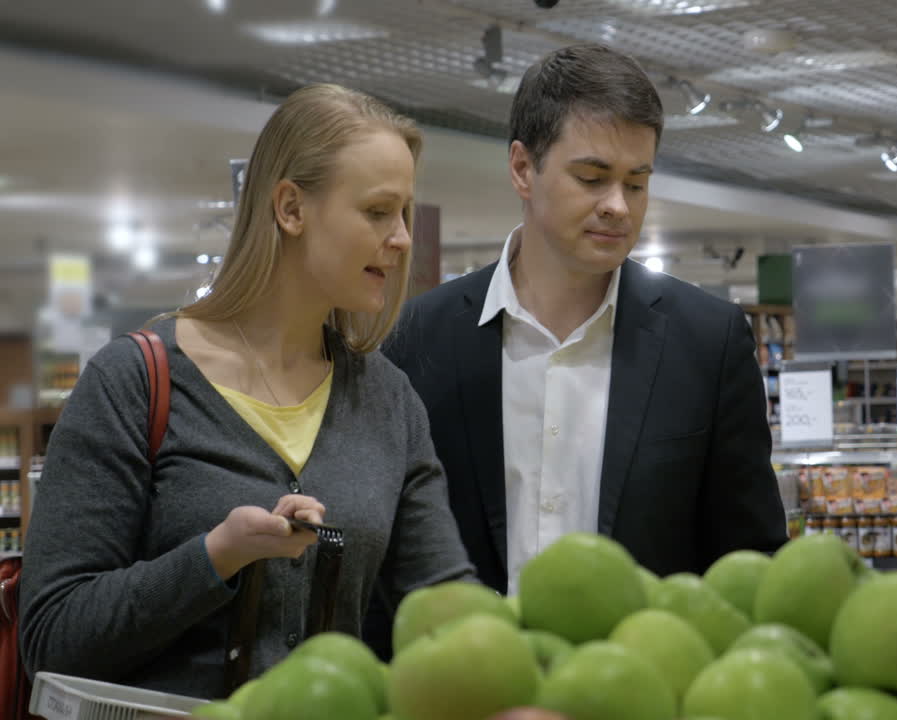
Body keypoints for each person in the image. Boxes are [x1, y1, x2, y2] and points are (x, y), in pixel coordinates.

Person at [19, 84, 473, 698]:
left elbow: (446, 604)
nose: (402, 238)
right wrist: (215, 556)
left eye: (405, 215)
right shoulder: (132, 382)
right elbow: (52, 637)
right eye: (376, 212)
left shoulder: (389, 403)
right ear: (290, 208)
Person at [385, 44, 787, 595]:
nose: (619, 206)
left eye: (637, 182)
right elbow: (388, 559)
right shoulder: (416, 339)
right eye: (593, 178)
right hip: (466, 675)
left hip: (647, 676)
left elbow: (751, 562)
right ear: (523, 168)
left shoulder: (707, 342)